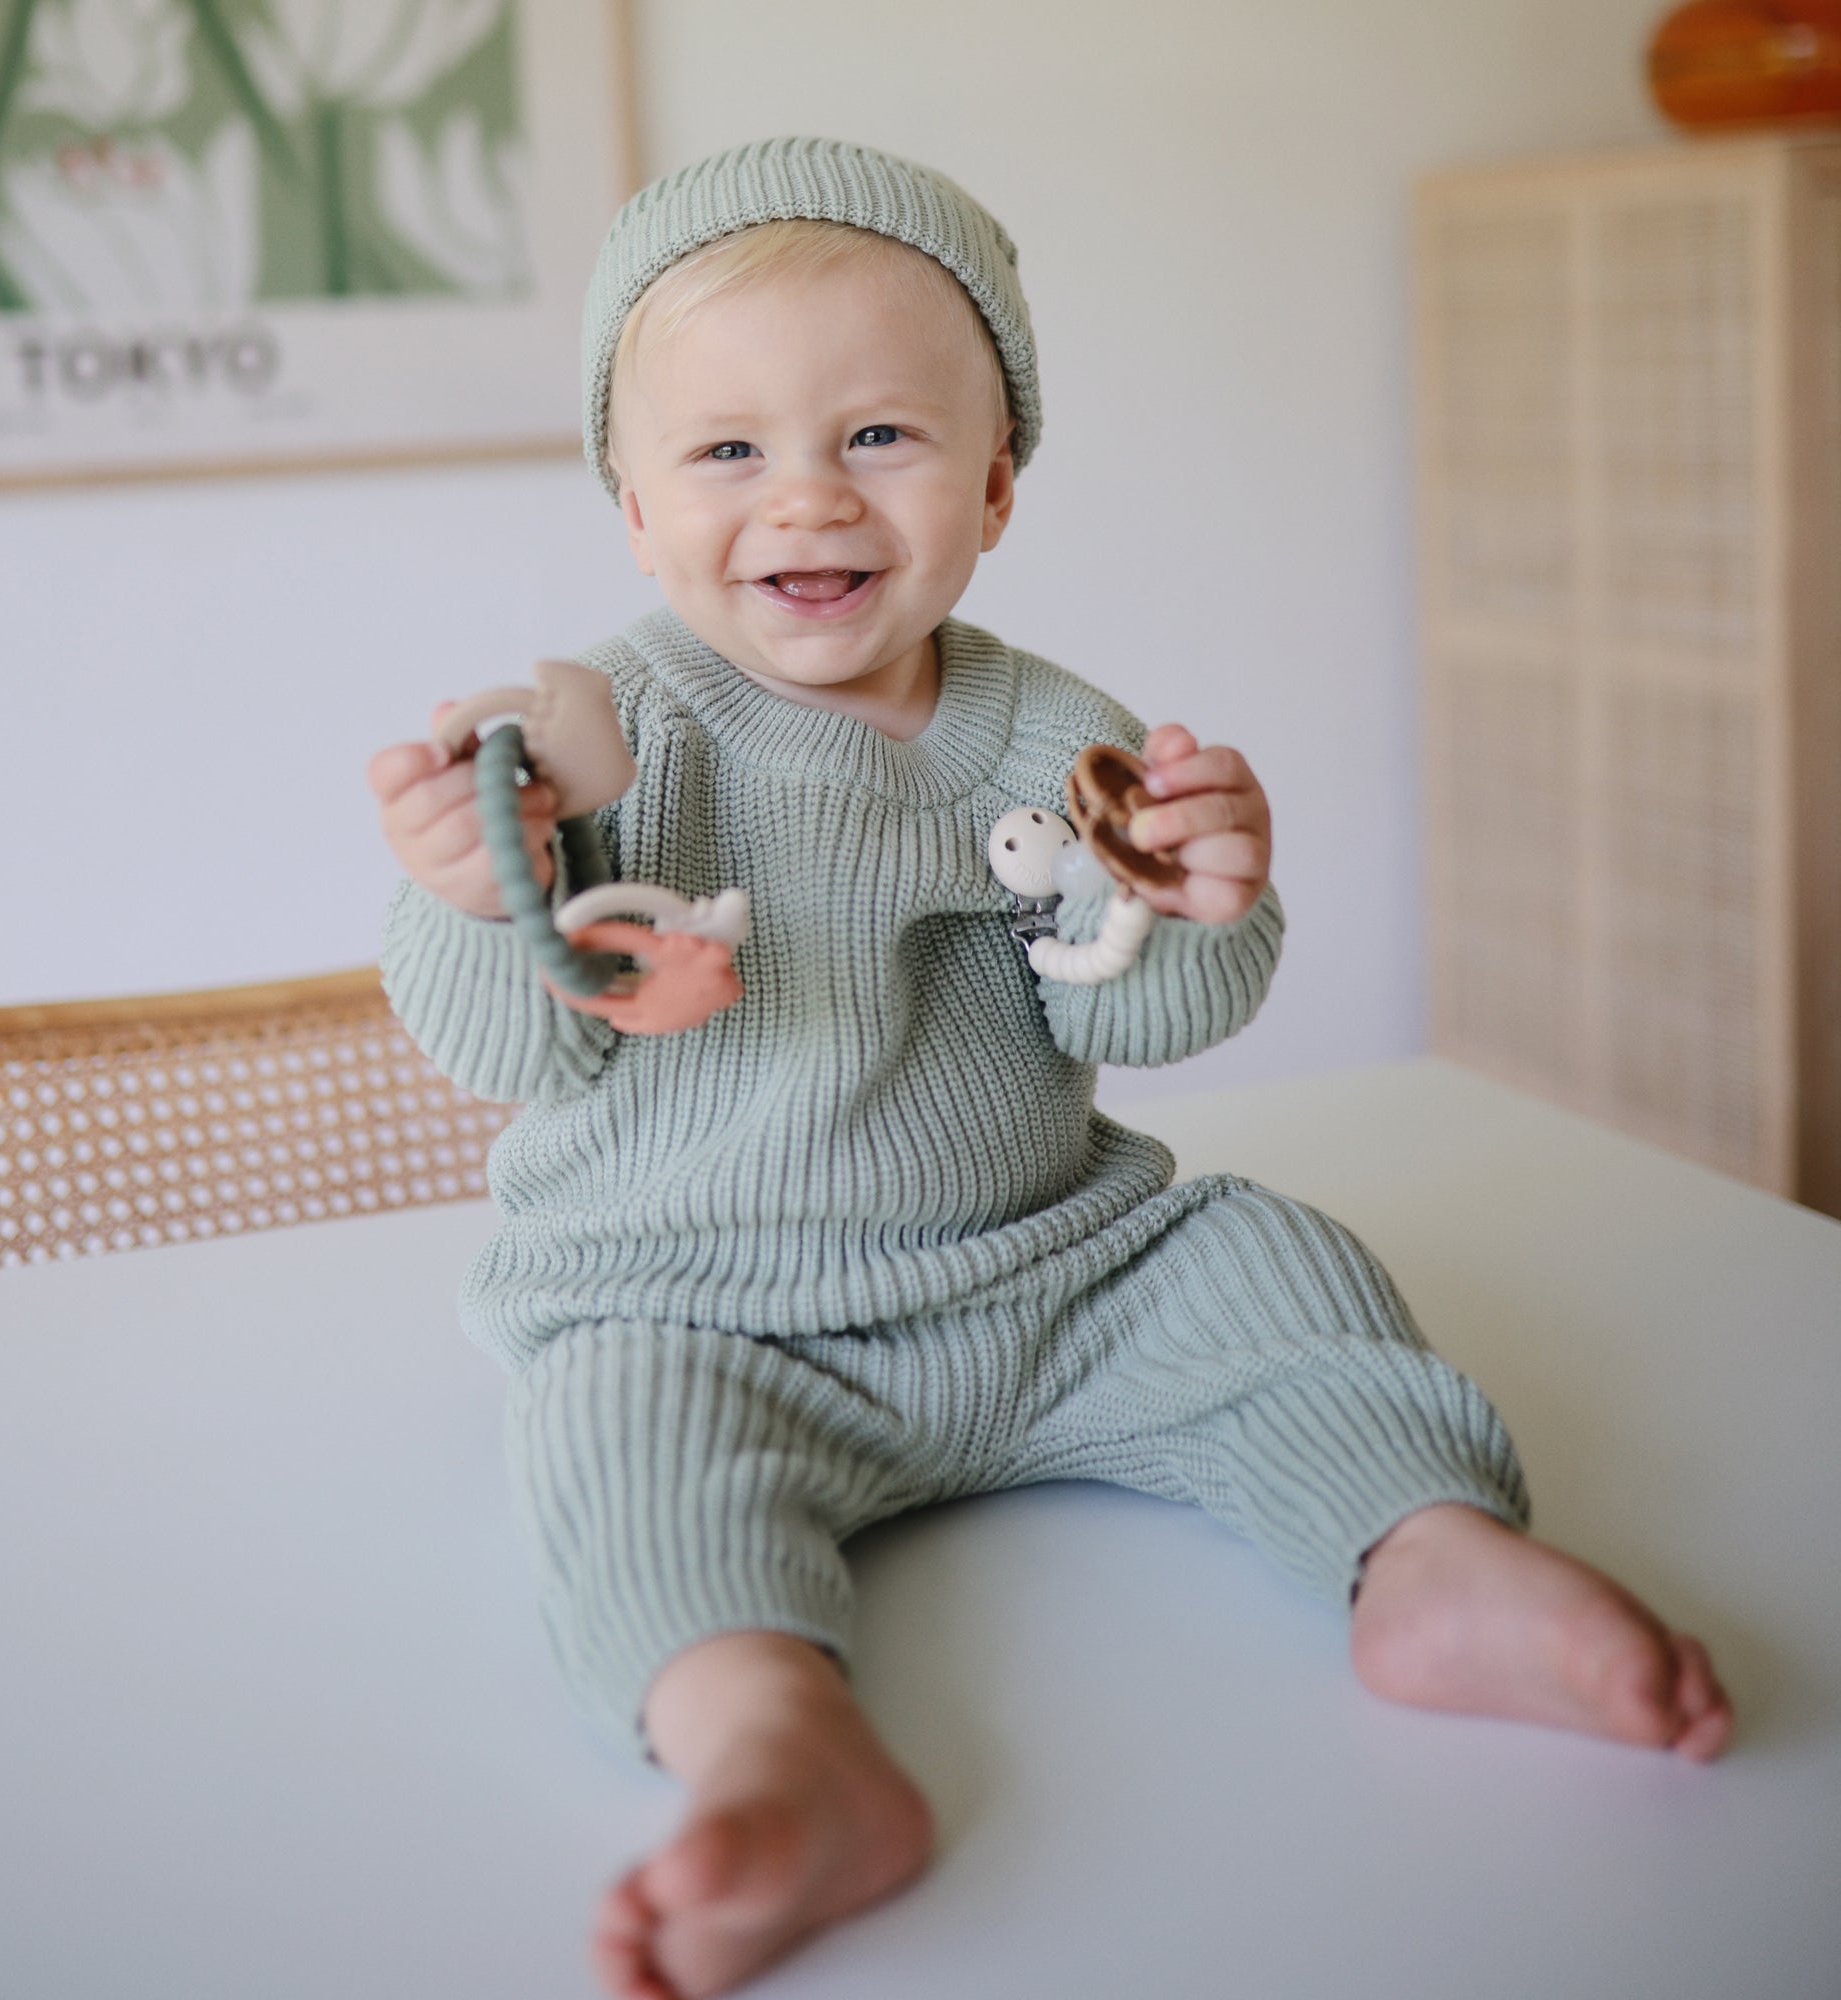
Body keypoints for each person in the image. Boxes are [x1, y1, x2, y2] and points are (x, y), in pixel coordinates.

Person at [367, 137, 1732, 2000]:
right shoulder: (597, 743)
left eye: (879, 439)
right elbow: (498, 1041)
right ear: (629, 502)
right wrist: (479, 887)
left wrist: (1200, 897)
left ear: (995, 484)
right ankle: (774, 1736)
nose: (806, 501)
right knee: (611, 1445)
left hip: (1049, 1275)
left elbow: (1137, 1019)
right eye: (727, 451)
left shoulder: (1053, 734)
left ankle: (1423, 1554)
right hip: (695, 1312)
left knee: (1266, 1261)